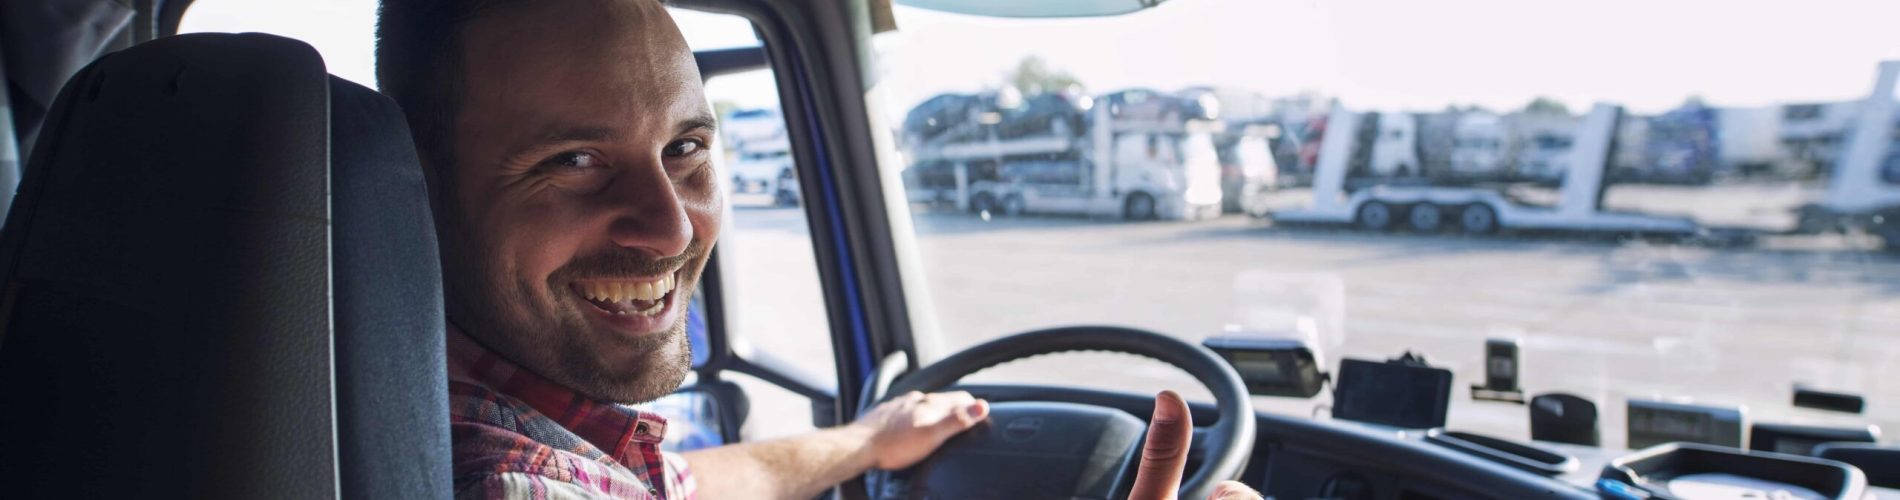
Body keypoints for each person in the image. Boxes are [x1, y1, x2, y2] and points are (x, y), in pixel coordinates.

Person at [375, 0, 1263, 498]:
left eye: (686, 148)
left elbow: (681, 485)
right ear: (414, 187)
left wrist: (866, 440)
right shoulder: (506, 480)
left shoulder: (440, 402)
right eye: (574, 161)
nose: (675, 229)